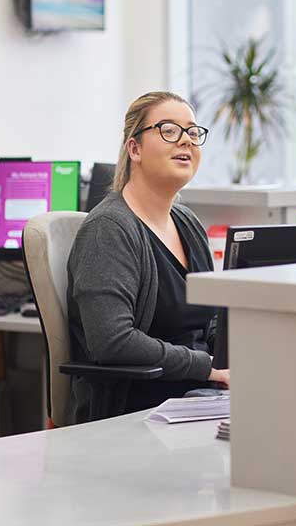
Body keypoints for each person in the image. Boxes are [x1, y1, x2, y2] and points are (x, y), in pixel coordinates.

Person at [67, 91, 229, 423]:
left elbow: (210, 320)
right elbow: (112, 341)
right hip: (142, 407)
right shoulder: (109, 229)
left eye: (193, 132)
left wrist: (235, 356)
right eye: (169, 130)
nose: (185, 141)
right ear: (135, 148)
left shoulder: (188, 223)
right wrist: (208, 368)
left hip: (199, 395)